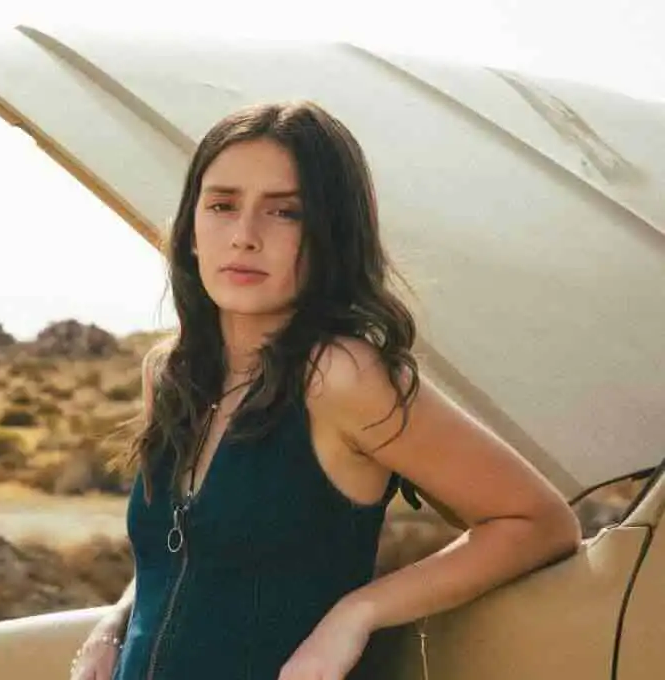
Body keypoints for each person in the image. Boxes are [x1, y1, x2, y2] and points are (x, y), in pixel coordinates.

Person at [69, 100, 582, 680]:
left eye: (285, 212)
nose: (244, 236)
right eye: (222, 205)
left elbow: (536, 522)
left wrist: (355, 614)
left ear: (331, 235)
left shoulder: (340, 376)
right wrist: (114, 622)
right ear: (189, 230)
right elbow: (184, 547)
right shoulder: (171, 373)